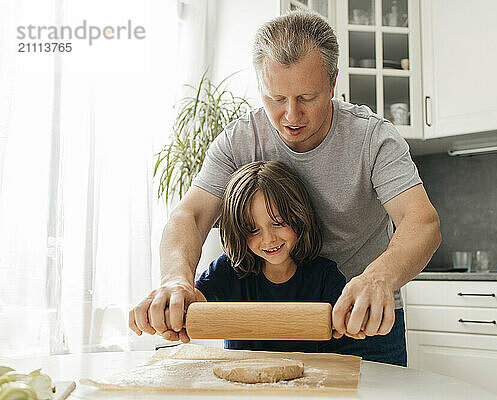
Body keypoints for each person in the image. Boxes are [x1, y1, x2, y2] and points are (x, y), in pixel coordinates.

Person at [129, 10, 441, 366]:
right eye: (276, 98)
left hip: (360, 318)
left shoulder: (372, 138)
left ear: (333, 81)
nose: (291, 116)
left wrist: (378, 277)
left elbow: (422, 221)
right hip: (264, 324)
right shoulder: (239, 140)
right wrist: (176, 280)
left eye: (307, 97)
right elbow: (191, 213)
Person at [189, 160, 346, 352]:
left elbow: (345, 319)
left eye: (279, 223)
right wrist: (169, 305)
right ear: (238, 232)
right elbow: (192, 305)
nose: (268, 239)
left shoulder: (325, 276)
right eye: (253, 230)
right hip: (239, 379)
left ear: (299, 216)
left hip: (308, 379)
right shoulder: (228, 270)